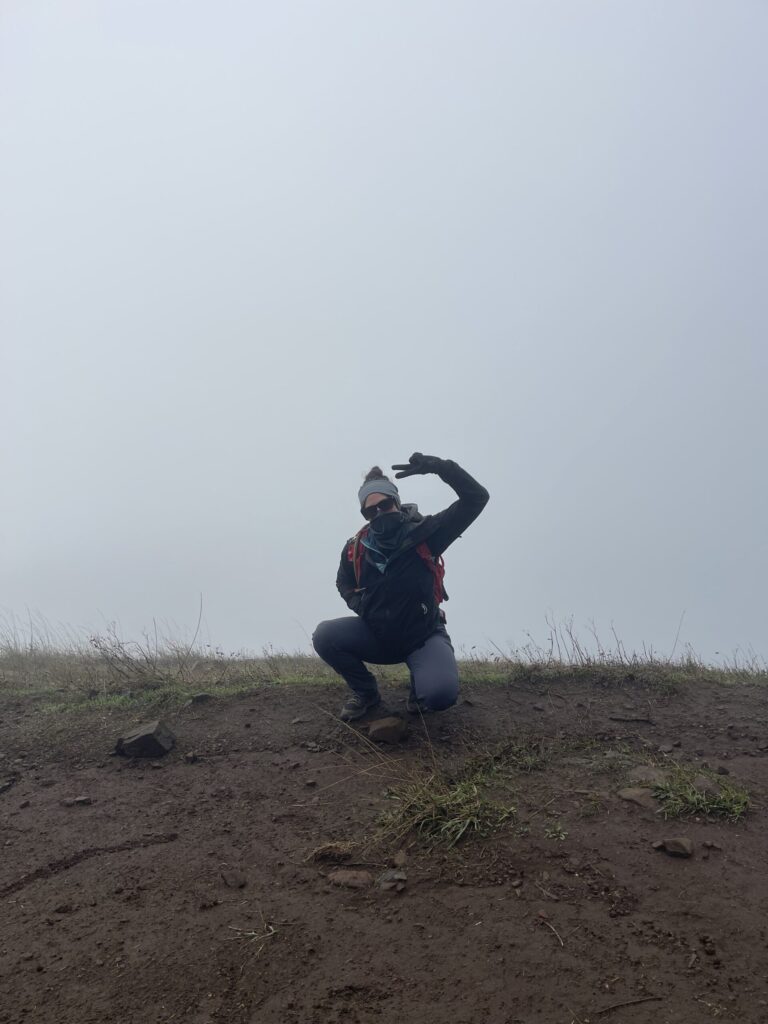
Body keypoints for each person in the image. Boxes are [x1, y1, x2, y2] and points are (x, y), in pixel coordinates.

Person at [312, 453, 489, 721]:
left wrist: (440, 468)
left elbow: (477, 498)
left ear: (395, 501)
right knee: (325, 636)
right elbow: (343, 582)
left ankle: (421, 687)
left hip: (422, 636)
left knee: (439, 695)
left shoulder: (427, 533)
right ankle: (367, 695)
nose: (379, 513)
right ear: (365, 514)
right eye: (371, 511)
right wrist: (360, 605)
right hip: (378, 636)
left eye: (384, 505)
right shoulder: (355, 548)